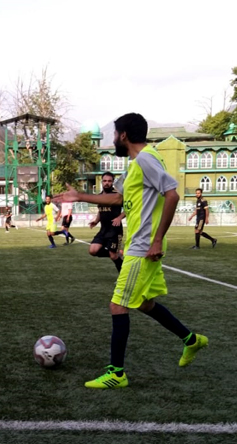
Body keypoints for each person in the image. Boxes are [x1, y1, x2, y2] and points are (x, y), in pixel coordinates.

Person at [53, 113, 208, 389]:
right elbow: (118, 197)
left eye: (114, 133)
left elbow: (172, 193)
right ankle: (192, 340)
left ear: (123, 134)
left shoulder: (146, 159)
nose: (113, 138)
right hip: (141, 245)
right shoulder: (138, 163)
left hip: (143, 247)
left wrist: (157, 239)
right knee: (144, 304)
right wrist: (79, 196)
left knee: (118, 305)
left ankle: (117, 373)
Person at [89, 172, 124, 272]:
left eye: (109, 181)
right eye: (105, 181)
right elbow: (101, 210)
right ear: (102, 182)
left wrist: (119, 218)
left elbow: (129, 208)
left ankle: (123, 277)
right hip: (103, 230)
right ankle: (118, 253)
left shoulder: (117, 195)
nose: (107, 183)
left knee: (113, 256)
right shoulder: (100, 196)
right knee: (93, 250)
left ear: (113, 182)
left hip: (115, 231)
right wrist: (96, 221)